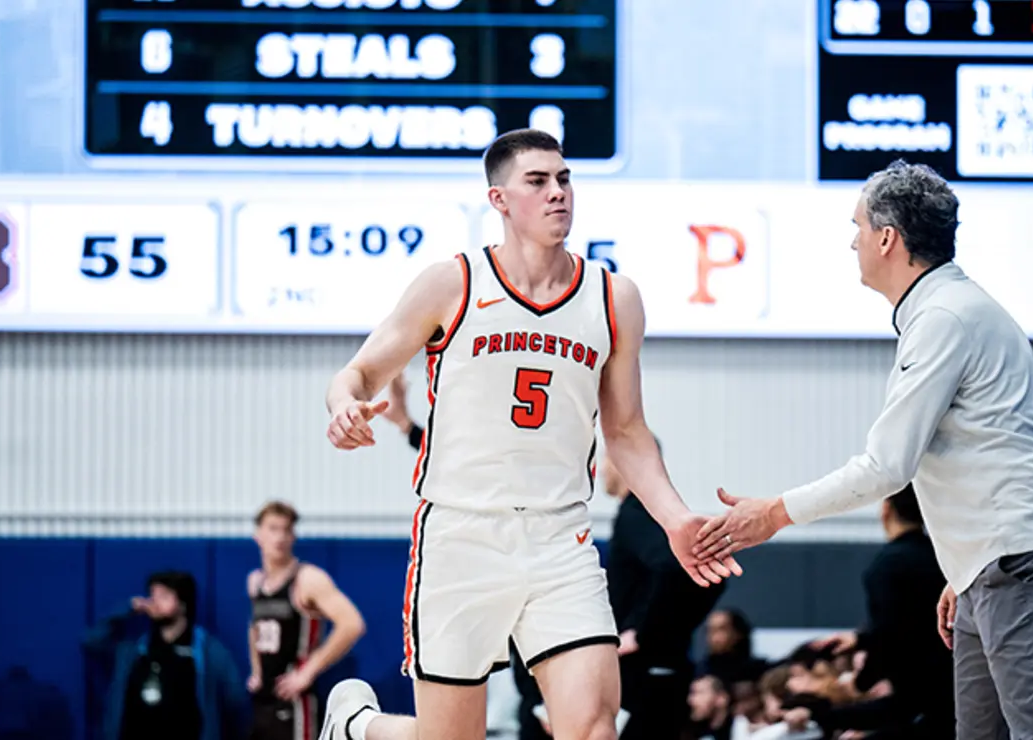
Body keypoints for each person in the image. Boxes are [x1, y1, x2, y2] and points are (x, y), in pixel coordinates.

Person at [319, 128, 740, 740]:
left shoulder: (613, 297)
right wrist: (342, 407)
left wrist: (676, 518)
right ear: (499, 200)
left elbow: (626, 429)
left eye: (564, 179)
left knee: (594, 728)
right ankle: (359, 726)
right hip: (461, 532)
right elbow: (357, 373)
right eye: (538, 181)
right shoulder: (453, 284)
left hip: (557, 537)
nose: (557, 193)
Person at [693, 159, 1033, 740]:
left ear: (887, 238)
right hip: (993, 564)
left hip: (1024, 560)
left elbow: (887, 465)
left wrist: (774, 513)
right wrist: (962, 568)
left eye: (857, 226)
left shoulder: (944, 318)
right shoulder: (955, 311)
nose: (851, 239)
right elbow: (991, 446)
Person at [603, 441, 727, 740]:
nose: (599, 471)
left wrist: (643, 633)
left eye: (606, 458)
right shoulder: (653, 516)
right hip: (660, 672)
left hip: (642, 678)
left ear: (624, 462)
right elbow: (711, 575)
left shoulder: (636, 514)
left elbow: (677, 569)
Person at [812, 485, 954, 738]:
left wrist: (859, 683)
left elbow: (891, 634)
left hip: (917, 695)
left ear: (886, 510)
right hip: (955, 683)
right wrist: (860, 640)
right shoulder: (944, 557)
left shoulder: (887, 566)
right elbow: (919, 622)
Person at [249, 501, 366, 740]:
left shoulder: (308, 579)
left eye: (286, 529)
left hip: (295, 700)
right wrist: (257, 671)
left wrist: (306, 672)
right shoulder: (255, 581)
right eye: (273, 528)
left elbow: (352, 624)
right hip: (264, 698)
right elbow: (256, 628)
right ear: (258, 535)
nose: (280, 537)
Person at [84, 571, 250, 740]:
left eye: (163, 596)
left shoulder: (208, 651)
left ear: (183, 604)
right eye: (152, 596)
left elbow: (235, 701)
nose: (154, 602)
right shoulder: (134, 649)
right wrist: (129, 608)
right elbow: (90, 640)